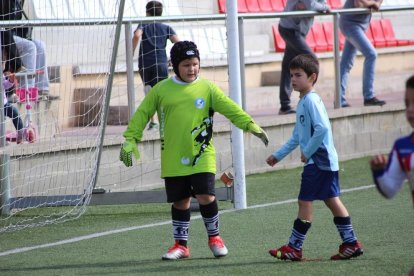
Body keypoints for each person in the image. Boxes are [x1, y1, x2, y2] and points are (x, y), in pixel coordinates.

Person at [120, 41, 269, 260]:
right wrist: (130, 139)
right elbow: (142, 114)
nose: (192, 69)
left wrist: (249, 124)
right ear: (174, 65)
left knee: (206, 195)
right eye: (186, 65)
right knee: (180, 201)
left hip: (202, 154)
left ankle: (215, 238)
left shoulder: (207, 88)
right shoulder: (161, 90)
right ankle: (181, 246)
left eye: (195, 64)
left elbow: (230, 108)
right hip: (172, 156)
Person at [266, 54, 363, 261]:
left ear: (312, 77)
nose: (293, 79)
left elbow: (322, 128)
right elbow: (296, 136)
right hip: (324, 162)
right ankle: (351, 243)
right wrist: (278, 155)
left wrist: (308, 151)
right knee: (331, 200)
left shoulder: (310, 100)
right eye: (291, 75)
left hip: (318, 161)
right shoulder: (304, 101)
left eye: (298, 75)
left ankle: (294, 247)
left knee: (304, 201)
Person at [132, 0, 180, 130]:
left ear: (147, 12)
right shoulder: (165, 27)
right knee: (162, 93)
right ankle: (164, 122)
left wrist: (130, 52)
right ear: (161, 13)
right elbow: (178, 42)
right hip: (161, 64)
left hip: (146, 64)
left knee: (149, 93)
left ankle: (153, 122)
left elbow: (137, 35)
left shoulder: (144, 24)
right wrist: (175, 58)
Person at [277, 0, 330, 115]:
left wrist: (318, 6)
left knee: (288, 66)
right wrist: (321, 7)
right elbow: (311, 4)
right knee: (312, 60)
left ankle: (285, 105)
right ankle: (309, 98)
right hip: (289, 29)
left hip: (298, 30)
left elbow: (316, 4)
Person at [0, 0, 59, 101]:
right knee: (30, 46)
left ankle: (42, 90)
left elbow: (16, 22)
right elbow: (5, 23)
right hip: (4, 36)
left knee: (40, 45)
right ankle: (26, 92)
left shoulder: (20, 2)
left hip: (14, 35)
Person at [370, 75, 414, 206]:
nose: (410, 109)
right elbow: (389, 189)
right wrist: (378, 170)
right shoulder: (403, 147)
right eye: (407, 104)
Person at [339, 0, 386, 107]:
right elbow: (358, 3)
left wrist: (374, 3)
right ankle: (369, 96)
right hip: (350, 24)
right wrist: (372, 3)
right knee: (371, 54)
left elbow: (377, 2)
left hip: (360, 25)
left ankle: (339, 99)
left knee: (346, 63)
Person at [2, 73, 24, 144]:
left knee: (15, 113)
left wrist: (10, 81)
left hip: (4, 103)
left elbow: (4, 85)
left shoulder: (1, 72)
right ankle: (1, 140)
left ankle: (20, 135)